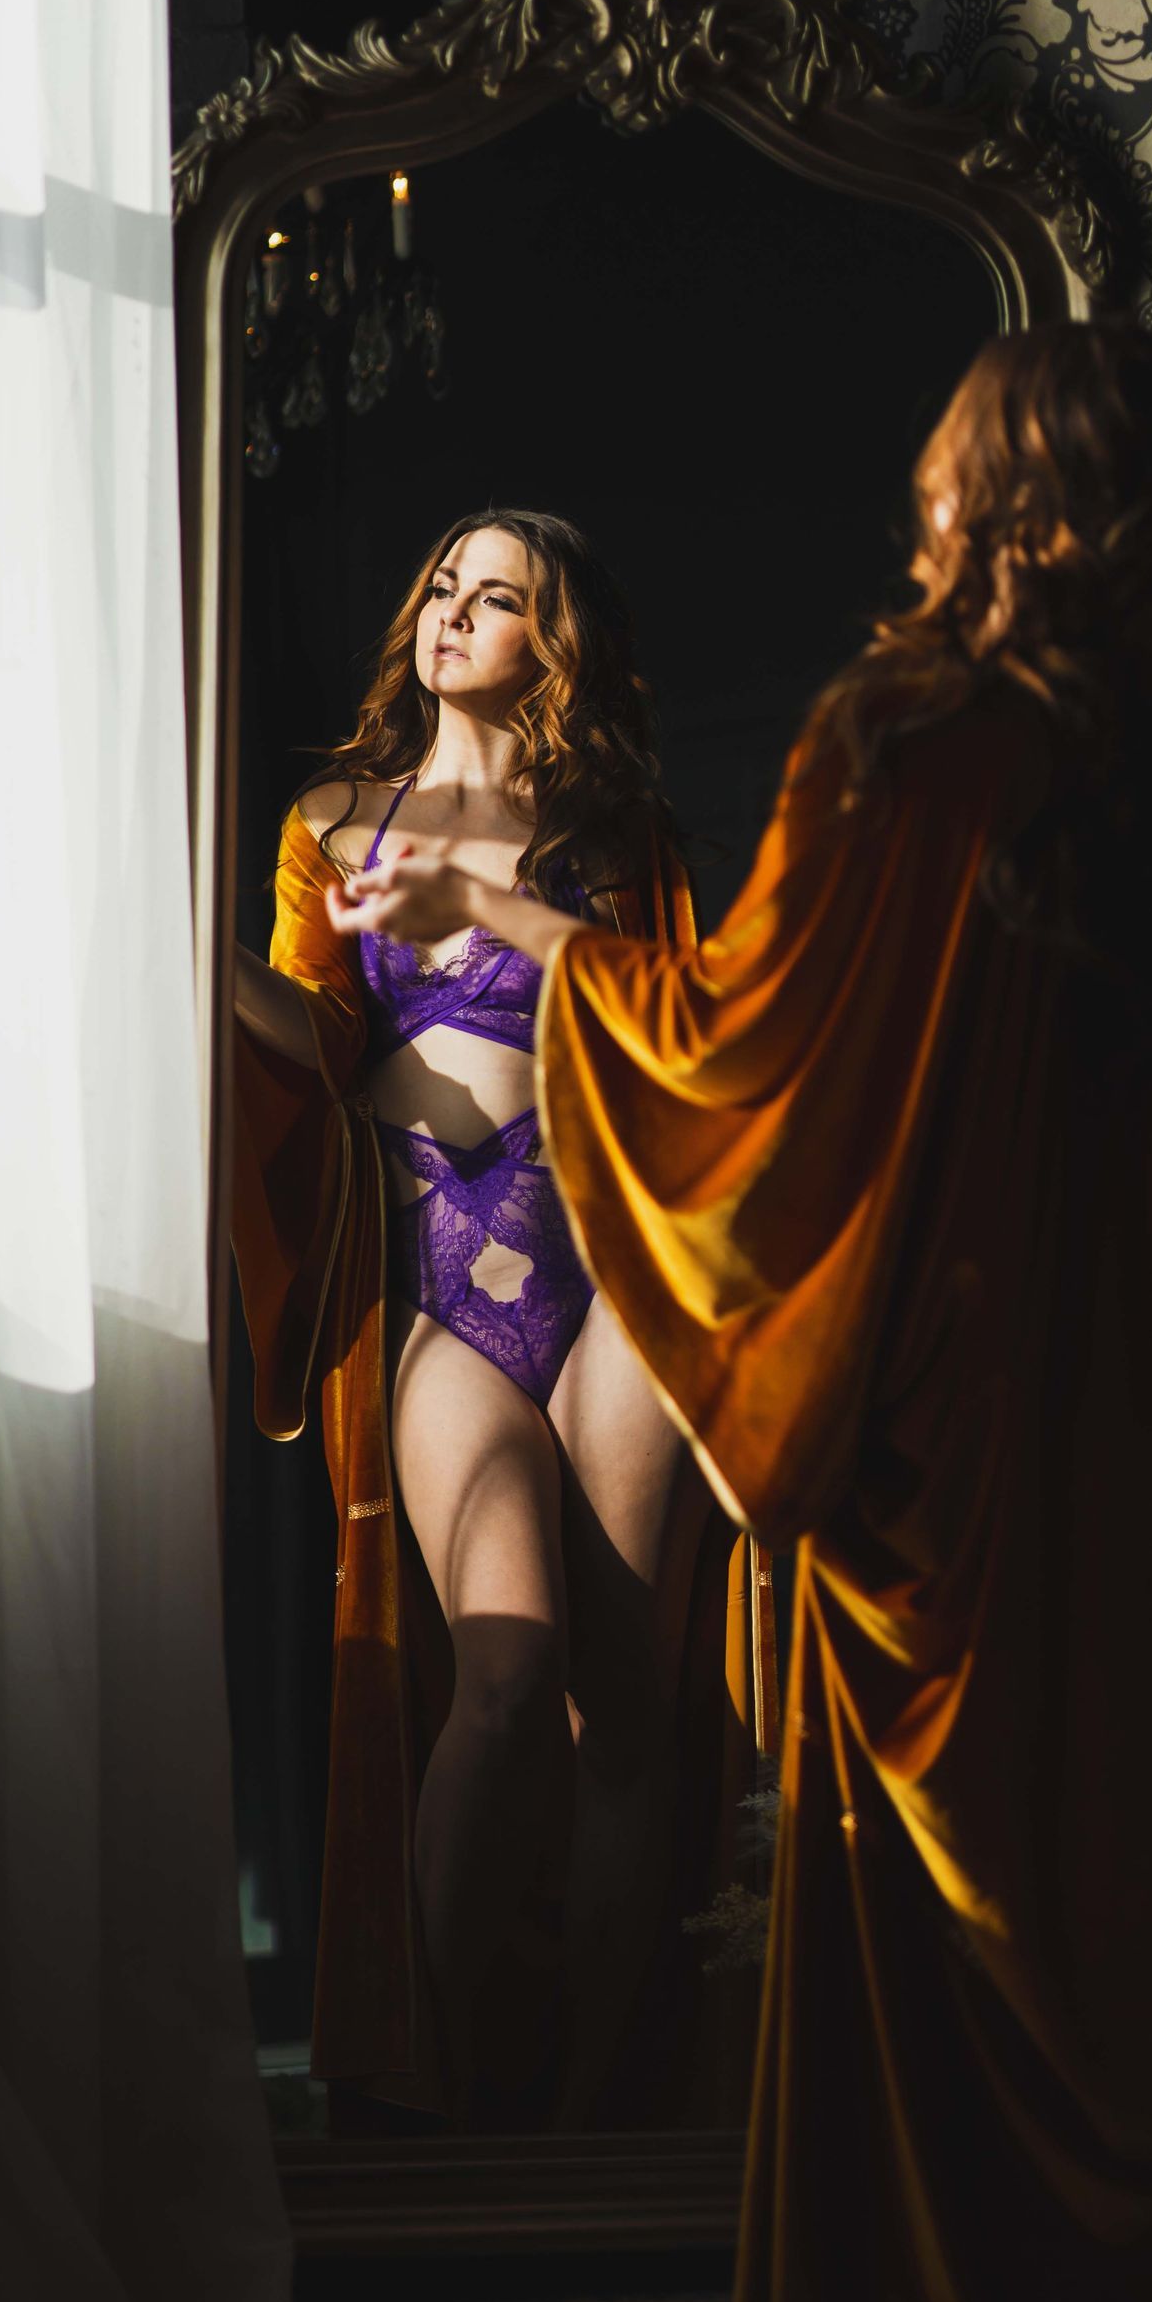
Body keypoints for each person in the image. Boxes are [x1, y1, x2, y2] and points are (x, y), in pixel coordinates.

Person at [334, 331, 1152, 2302]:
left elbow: (735, 1066)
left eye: (947, 480)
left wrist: (515, 932)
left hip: (988, 1465)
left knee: (981, 1977)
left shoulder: (916, 739)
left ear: (993, 500)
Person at [232, 508, 771, 2130]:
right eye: (444, 589)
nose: (457, 614)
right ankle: (452, 2103)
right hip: (447, 1292)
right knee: (510, 1681)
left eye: (501, 598)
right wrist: (189, 955)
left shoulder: (616, 834)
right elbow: (311, 1044)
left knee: (629, 1715)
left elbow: (683, 1044)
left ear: (555, 643)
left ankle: (607, 2111)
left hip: (615, 1282)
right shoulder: (332, 824)